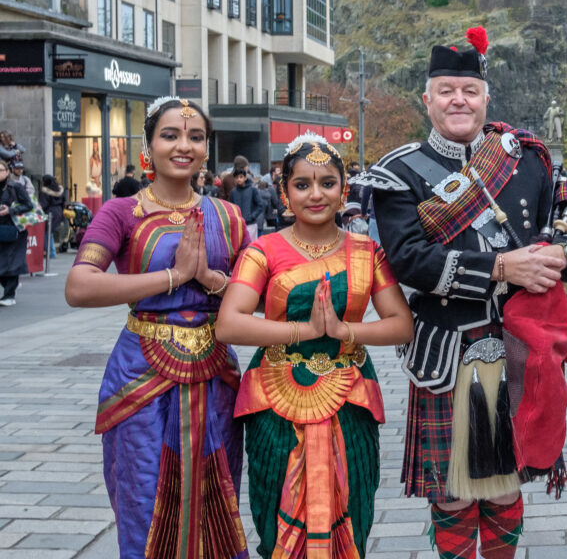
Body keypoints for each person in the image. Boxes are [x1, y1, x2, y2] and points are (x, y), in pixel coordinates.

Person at [362, 27, 567, 559]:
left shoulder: (527, 161)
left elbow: (564, 231)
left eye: (469, 90)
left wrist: (560, 256)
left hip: (519, 345)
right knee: (454, 493)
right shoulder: (400, 173)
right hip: (447, 349)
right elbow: (411, 261)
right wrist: (503, 266)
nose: (457, 99)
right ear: (428, 99)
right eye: (445, 90)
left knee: (506, 484)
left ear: (486, 98)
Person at [64, 97, 250, 558]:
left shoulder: (228, 217)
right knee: (145, 503)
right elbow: (79, 286)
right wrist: (174, 277)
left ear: (208, 148)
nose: (183, 145)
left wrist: (209, 280)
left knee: (218, 503)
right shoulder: (121, 213)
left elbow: (260, 296)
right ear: (148, 146)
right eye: (170, 135)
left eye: (195, 136)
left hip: (216, 376)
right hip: (141, 376)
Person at [217, 133, 413, 557]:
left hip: (349, 396)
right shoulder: (263, 250)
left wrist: (345, 332)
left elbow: (402, 326)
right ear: (285, 192)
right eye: (302, 184)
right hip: (275, 399)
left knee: (353, 502)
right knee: (275, 510)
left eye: (327, 182)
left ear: (344, 190)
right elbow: (228, 324)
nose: (316, 193)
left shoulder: (367, 251)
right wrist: (303, 332)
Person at [0, 159, 32, 307]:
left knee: (12, 262)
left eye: (1, 170)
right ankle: (9, 286)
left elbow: (28, 205)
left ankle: (9, 295)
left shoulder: (15, 187)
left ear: (7, 172)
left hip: (14, 229)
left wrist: (10, 210)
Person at [230, 168, 264, 238]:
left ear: (245, 178)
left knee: (251, 246)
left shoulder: (253, 189)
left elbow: (260, 205)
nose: (239, 179)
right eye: (236, 177)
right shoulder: (233, 192)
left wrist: (252, 217)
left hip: (251, 224)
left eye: (241, 177)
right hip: (238, 225)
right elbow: (231, 208)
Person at [39, 174, 66, 257]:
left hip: (49, 212)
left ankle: (51, 251)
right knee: (50, 232)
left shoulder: (45, 191)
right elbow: (64, 201)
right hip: (58, 211)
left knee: (47, 232)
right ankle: (52, 250)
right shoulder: (59, 190)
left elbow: (43, 204)